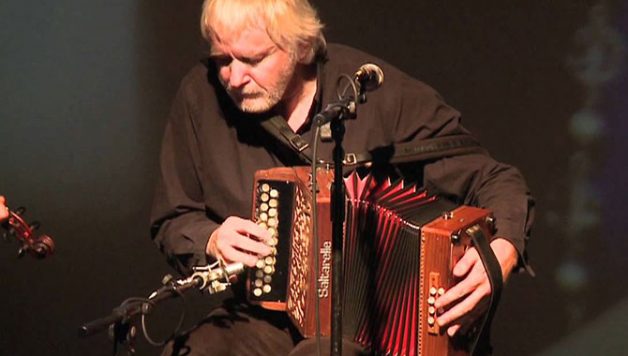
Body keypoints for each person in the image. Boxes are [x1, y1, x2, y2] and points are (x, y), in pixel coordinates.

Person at [150, 0, 534, 355]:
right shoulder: (201, 97)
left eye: (252, 59)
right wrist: (212, 239)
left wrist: (504, 249)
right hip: (265, 317)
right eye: (222, 60)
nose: (233, 77)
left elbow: (494, 178)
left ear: (300, 47)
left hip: (382, 323)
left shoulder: (379, 95)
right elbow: (174, 217)